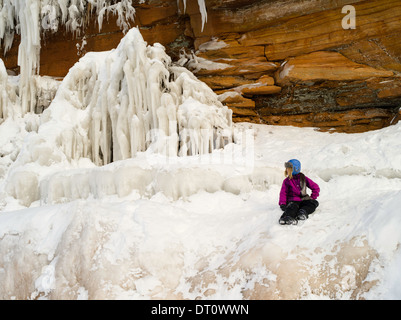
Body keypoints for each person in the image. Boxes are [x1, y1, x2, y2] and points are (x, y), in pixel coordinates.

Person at [278, 159, 320, 225]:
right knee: (292, 207)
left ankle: (303, 212)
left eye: (289, 169)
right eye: (287, 169)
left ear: (295, 169)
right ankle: (288, 217)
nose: (286, 170)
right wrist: (282, 203)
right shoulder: (287, 181)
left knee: (314, 203)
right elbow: (283, 193)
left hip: (303, 200)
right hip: (293, 201)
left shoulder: (303, 178)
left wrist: (313, 197)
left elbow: (315, 187)